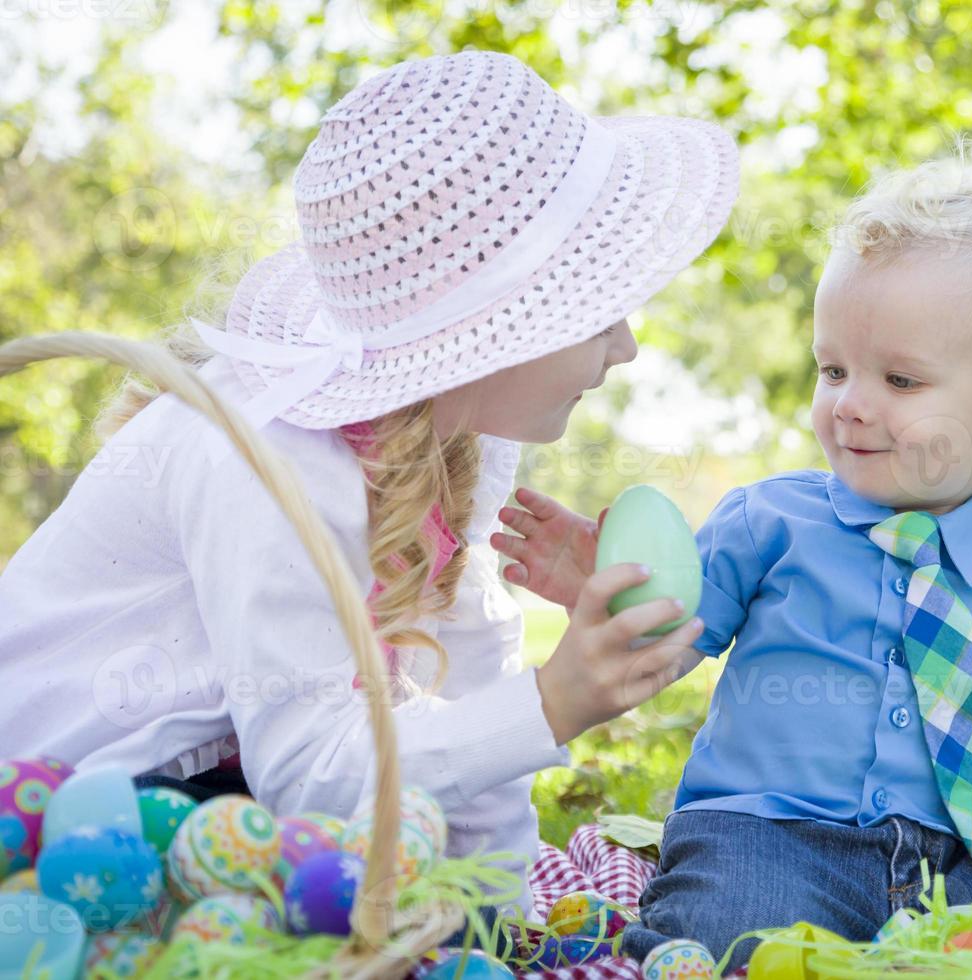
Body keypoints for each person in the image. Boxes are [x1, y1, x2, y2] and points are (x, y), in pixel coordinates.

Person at [0, 48, 737, 917]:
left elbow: (470, 677)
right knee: (300, 893)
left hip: (220, 790)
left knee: (389, 885)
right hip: (75, 807)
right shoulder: (266, 456)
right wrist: (553, 702)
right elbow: (312, 775)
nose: (627, 348)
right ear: (492, 333)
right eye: (593, 313)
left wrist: (501, 915)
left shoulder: (463, 436)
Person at [494, 147, 972, 965]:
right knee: (730, 937)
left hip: (956, 864)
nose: (850, 405)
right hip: (765, 836)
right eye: (834, 369)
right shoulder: (770, 520)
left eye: (901, 381)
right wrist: (616, 597)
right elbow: (664, 648)